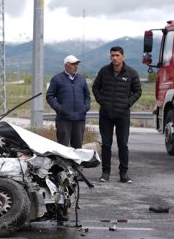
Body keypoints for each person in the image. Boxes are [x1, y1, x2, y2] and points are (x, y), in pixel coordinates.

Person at [92, 46, 141, 183]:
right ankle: (105, 173)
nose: (114, 58)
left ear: (122, 57)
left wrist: (127, 103)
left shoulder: (131, 73)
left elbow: (137, 91)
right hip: (106, 114)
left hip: (123, 115)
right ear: (110, 57)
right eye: (112, 55)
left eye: (117, 55)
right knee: (106, 145)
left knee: (123, 145)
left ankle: (123, 174)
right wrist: (102, 101)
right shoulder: (104, 71)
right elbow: (95, 87)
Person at [46, 55, 90, 148]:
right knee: (62, 148)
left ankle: (76, 163)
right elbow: (49, 96)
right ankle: (63, 163)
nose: (76, 66)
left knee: (78, 147)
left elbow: (87, 96)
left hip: (79, 118)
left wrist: (85, 107)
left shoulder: (81, 79)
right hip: (63, 118)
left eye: (77, 64)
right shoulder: (57, 79)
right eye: (73, 64)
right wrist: (59, 108)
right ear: (66, 65)